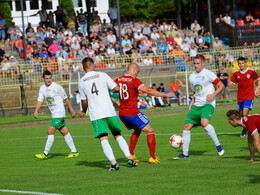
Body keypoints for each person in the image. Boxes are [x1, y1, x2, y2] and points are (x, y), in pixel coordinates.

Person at [78, 57, 137, 171]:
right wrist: (110, 91)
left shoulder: (81, 81)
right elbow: (117, 88)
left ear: (83, 67)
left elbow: (84, 101)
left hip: (97, 114)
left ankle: (114, 163)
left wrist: (84, 111)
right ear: (93, 65)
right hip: (109, 111)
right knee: (118, 135)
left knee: (103, 138)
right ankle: (129, 158)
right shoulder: (102, 75)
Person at [115, 63, 174, 164]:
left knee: (138, 130)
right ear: (134, 70)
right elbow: (148, 91)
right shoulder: (134, 80)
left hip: (122, 113)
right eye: (137, 72)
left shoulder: (118, 79)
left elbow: (110, 88)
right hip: (132, 112)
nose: (137, 75)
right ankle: (152, 157)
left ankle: (131, 154)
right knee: (150, 130)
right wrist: (165, 94)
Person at [174, 54, 225, 159]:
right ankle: (185, 154)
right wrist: (191, 103)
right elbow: (195, 92)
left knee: (204, 123)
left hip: (208, 104)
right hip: (196, 104)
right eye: (194, 63)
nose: (196, 65)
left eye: (198, 63)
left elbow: (221, 85)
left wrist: (213, 95)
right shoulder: (192, 76)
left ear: (203, 63)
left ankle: (218, 145)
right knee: (186, 127)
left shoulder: (209, 74)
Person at [33, 70, 79, 159]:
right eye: (46, 78)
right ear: (43, 78)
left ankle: (45, 154)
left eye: (50, 78)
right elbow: (39, 100)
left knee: (50, 131)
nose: (48, 80)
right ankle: (74, 152)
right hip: (54, 114)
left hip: (60, 113)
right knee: (64, 132)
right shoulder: (42, 88)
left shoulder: (57, 87)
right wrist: (36, 111)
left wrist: (72, 111)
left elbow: (66, 99)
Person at [228, 57, 260, 138]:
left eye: (242, 63)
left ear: (245, 63)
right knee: (241, 115)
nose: (241, 65)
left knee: (245, 113)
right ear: (238, 64)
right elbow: (232, 83)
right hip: (240, 97)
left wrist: (258, 88)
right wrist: (229, 83)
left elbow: (258, 79)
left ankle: (245, 130)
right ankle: (247, 128)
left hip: (249, 96)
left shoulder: (251, 71)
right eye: (239, 63)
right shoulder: (236, 73)